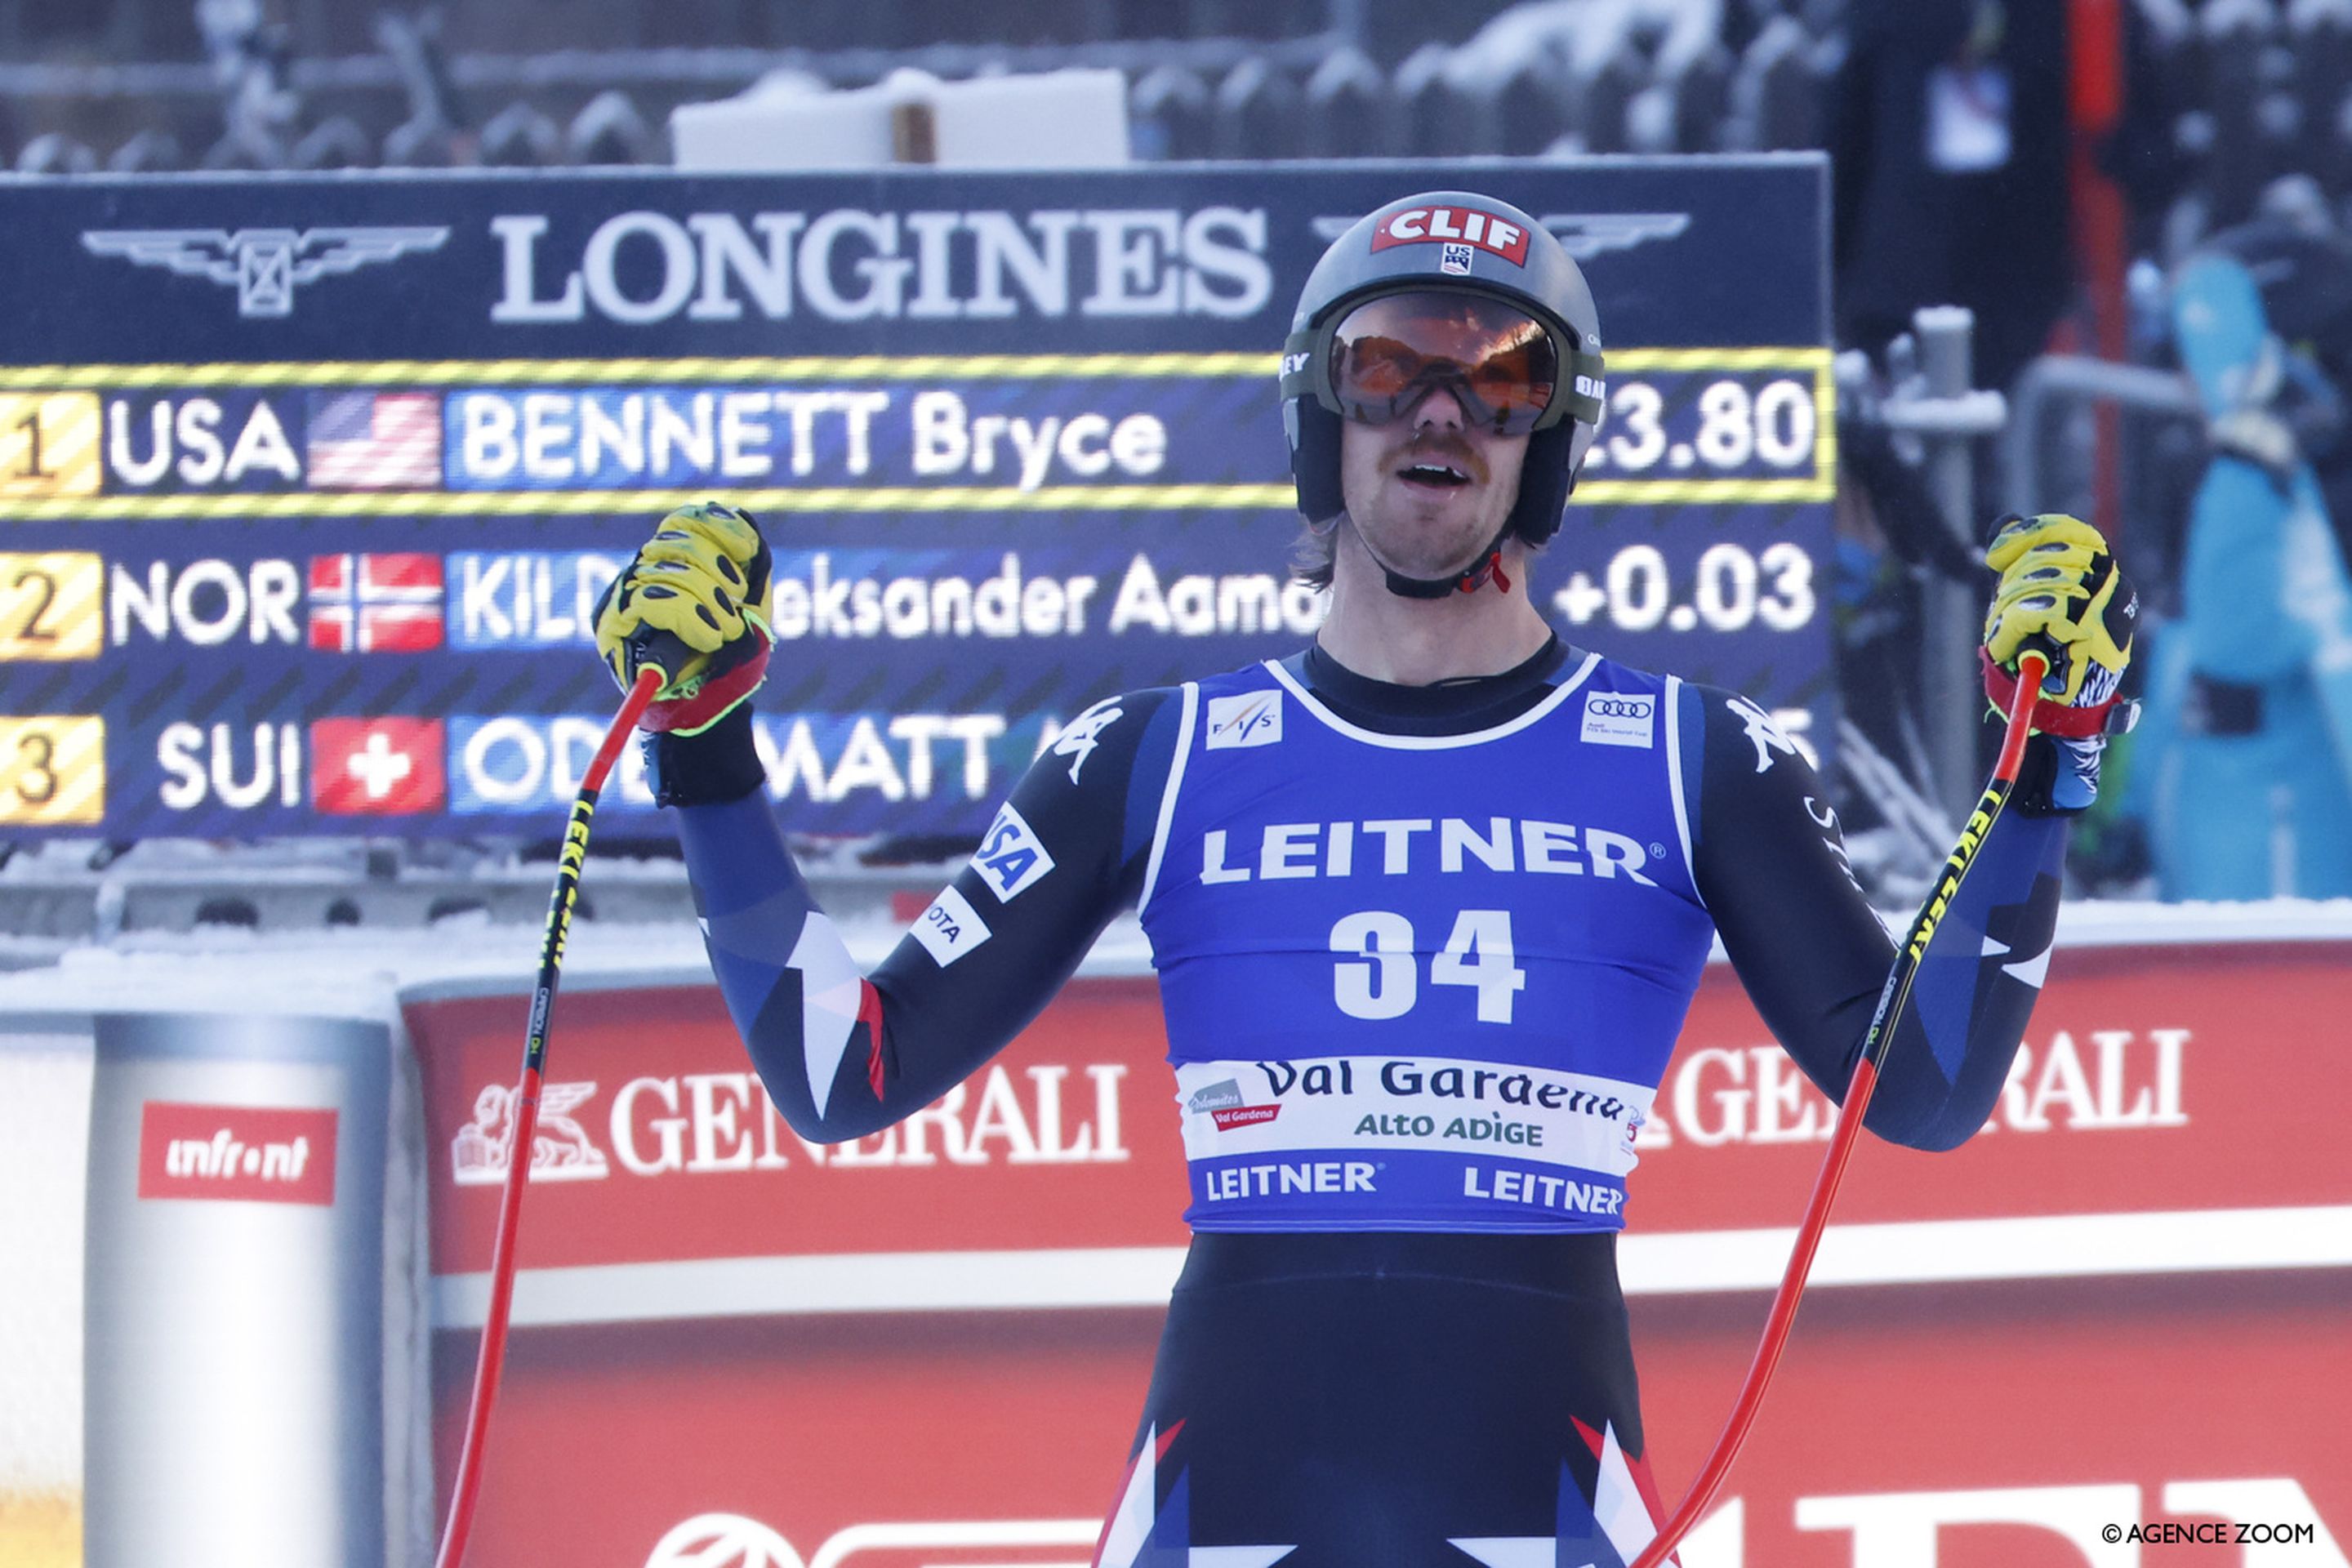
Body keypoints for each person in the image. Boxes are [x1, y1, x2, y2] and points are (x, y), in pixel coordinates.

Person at [590, 190, 2135, 1565]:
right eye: (1387, 366)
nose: (1439, 412)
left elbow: (1924, 1086)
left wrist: (2044, 763)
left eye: (1505, 374)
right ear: (1320, 413)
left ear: (1553, 442)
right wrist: (710, 751)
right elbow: (837, 1069)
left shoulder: (1690, 751)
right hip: (1232, 1475)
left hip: (1539, 1467)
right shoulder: (1155, 750)